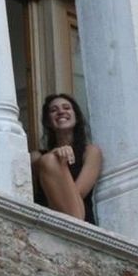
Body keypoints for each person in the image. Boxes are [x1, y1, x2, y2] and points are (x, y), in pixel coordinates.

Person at [31, 94, 102, 223]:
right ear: (48, 121)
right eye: (54, 110)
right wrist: (55, 155)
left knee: (50, 161)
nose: (61, 112)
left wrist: (62, 164)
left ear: (77, 117)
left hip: (79, 219)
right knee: (49, 161)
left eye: (66, 108)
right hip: (51, 217)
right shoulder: (37, 157)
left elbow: (76, 195)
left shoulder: (90, 152)